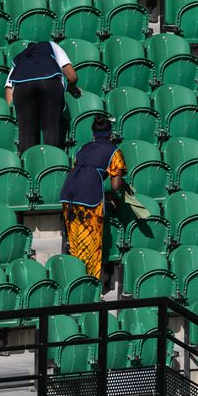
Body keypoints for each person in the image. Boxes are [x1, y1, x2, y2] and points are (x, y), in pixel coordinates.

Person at [58, 116, 125, 282]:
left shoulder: (82, 148)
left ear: (94, 134)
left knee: (75, 244)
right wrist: (119, 191)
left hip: (69, 195)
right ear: (110, 134)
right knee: (92, 246)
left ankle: (76, 282)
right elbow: (115, 185)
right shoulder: (114, 151)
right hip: (89, 199)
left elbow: (83, 170)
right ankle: (92, 288)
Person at [4, 40, 79, 153]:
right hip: (49, 80)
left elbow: (9, 90)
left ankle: (29, 167)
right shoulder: (51, 45)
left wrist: (19, 109)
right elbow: (72, 76)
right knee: (51, 130)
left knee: (26, 134)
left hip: (22, 86)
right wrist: (71, 87)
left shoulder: (20, 58)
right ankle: (52, 167)